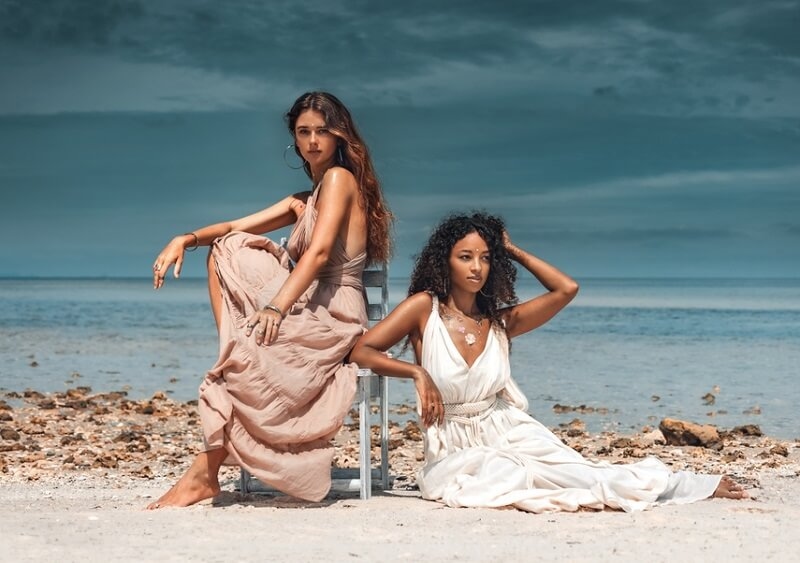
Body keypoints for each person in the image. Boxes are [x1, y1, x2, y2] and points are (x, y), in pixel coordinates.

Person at [350, 212, 747, 513]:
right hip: (454, 440)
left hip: (508, 426)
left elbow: (566, 288)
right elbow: (362, 350)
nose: (476, 267)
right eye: (465, 257)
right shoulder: (424, 309)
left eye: (486, 258)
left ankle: (693, 486)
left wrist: (512, 250)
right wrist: (417, 372)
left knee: (584, 474)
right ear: (445, 262)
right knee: (504, 474)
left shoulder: (501, 322)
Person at [147, 91, 393, 509]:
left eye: (322, 131)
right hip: (306, 306)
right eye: (304, 132)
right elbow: (232, 226)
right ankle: (234, 351)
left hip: (334, 314)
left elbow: (316, 254)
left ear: (339, 137)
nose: (313, 140)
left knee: (241, 359)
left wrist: (276, 306)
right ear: (293, 139)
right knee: (225, 247)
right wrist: (184, 238)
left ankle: (203, 475)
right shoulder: (304, 199)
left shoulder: (339, 180)